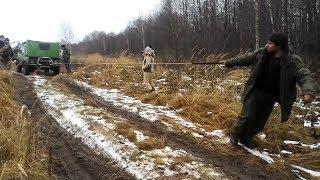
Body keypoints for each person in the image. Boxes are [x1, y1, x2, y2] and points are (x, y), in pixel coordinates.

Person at [223, 32, 317, 148]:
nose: (267, 45)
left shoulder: (292, 61)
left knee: (260, 122)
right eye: (267, 42)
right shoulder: (262, 53)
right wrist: (228, 63)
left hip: (271, 95)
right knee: (247, 116)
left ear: (279, 46)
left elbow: (305, 75)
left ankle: (246, 138)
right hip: (255, 90)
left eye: (270, 43)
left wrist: (308, 92)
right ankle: (235, 135)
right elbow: (245, 58)